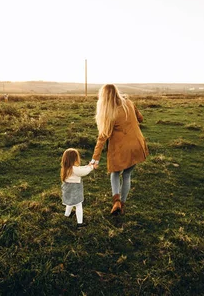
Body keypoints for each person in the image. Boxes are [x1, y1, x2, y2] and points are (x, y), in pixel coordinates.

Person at [90, 84, 149, 215]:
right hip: (136, 145)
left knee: (115, 173)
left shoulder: (109, 113)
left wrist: (95, 158)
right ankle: (122, 204)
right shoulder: (128, 102)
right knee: (127, 175)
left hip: (121, 149)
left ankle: (116, 201)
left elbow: (102, 137)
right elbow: (140, 118)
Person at [61, 148, 98, 228]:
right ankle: (80, 224)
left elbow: (80, 169)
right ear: (74, 159)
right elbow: (82, 172)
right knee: (78, 205)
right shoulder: (74, 169)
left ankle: (66, 215)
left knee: (69, 203)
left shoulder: (67, 168)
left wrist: (88, 166)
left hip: (67, 189)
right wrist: (91, 167)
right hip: (74, 189)